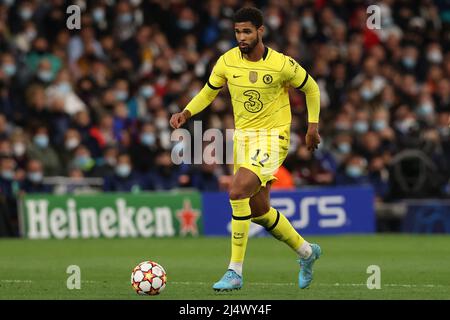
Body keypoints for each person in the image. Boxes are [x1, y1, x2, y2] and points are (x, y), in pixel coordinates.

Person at [170, 7, 322, 291]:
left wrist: (312, 126)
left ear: (260, 31)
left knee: (237, 190)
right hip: (243, 140)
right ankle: (306, 252)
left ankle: (234, 271)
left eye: (247, 31)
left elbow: (311, 88)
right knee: (260, 209)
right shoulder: (227, 61)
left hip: (273, 138)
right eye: (238, 32)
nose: (241, 37)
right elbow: (209, 91)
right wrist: (187, 113)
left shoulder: (281, 64)